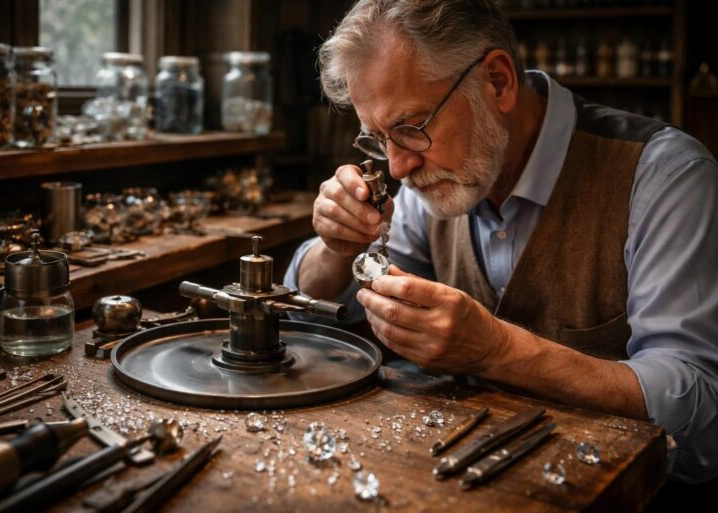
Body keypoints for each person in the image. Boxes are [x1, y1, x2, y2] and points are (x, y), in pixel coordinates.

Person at [283, 0, 718, 485]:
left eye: (411, 128)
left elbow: (700, 414)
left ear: (498, 82)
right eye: (379, 138)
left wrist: (496, 350)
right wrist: (336, 250)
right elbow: (313, 319)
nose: (399, 167)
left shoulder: (665, 177)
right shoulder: (432, 180)